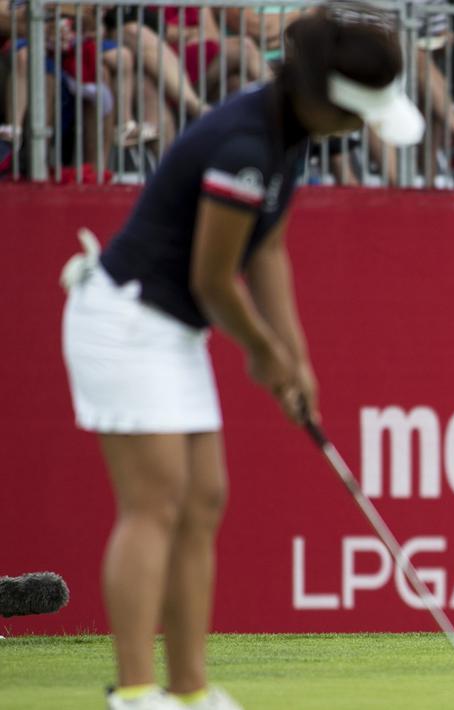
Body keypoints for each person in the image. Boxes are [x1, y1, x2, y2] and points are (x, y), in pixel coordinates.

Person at [59, 2, 422, 708]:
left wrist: (297, 356)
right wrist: (264, 354)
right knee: (155, 503)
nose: (360, 127)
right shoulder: (244, 145)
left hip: (170, 326)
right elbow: (211, 278)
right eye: (357, 112)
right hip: (126, 317)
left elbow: (269, 251)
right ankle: (136, 692)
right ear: (324, 97)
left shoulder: (294, 136)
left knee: (204, 500)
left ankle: (191, 691)